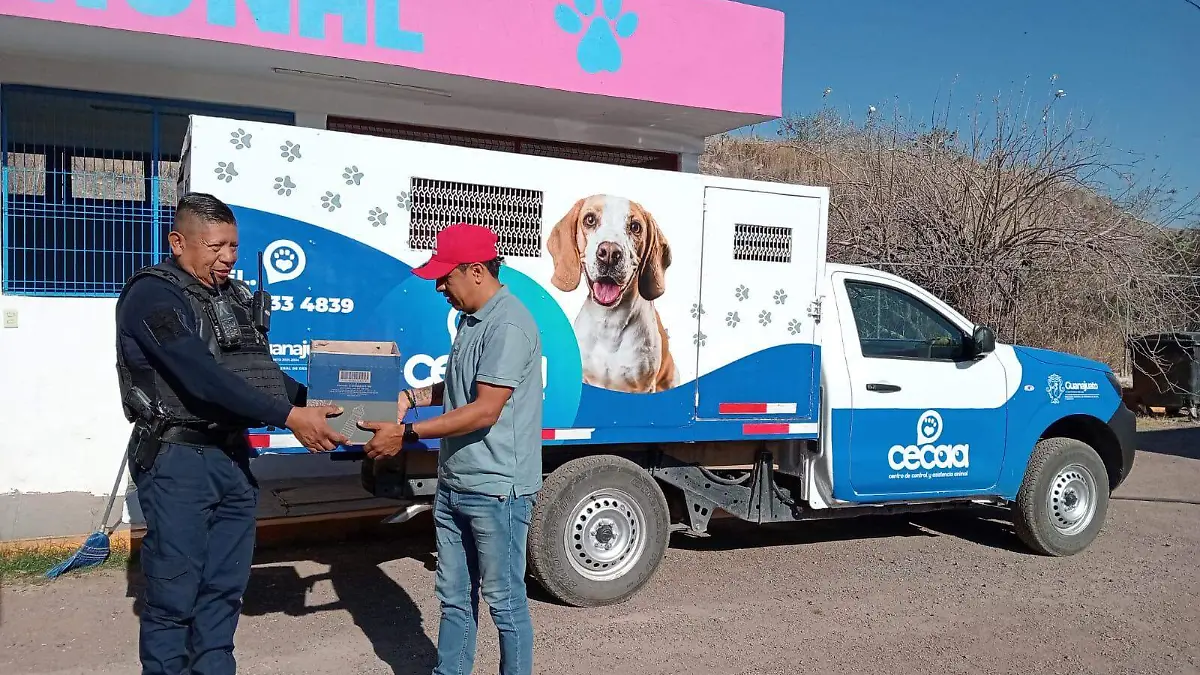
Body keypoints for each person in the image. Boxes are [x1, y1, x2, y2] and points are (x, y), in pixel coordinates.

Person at [115, 192, 348, 675]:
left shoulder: (232, 297)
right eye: (216, 246)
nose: (228, 258)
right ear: (178, 242)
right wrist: (289, 419)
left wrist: (316, 405)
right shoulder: (153, 295)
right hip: (178, 460)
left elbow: (260, 375)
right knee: (174, 591)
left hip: (231, 459)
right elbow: (200, 375)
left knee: (225, 586)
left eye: (234, 247)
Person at [358, 222, 544, 675]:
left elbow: (484, 410)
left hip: (498, 490)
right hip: (456, 483)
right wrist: (412, 397)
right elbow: (461, 388)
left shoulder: (510, 325)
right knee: (454, 599)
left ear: (476, 271)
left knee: (504, 602)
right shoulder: (470, 320)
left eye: (446, 276)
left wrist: (407, 433)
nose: (440, 286)